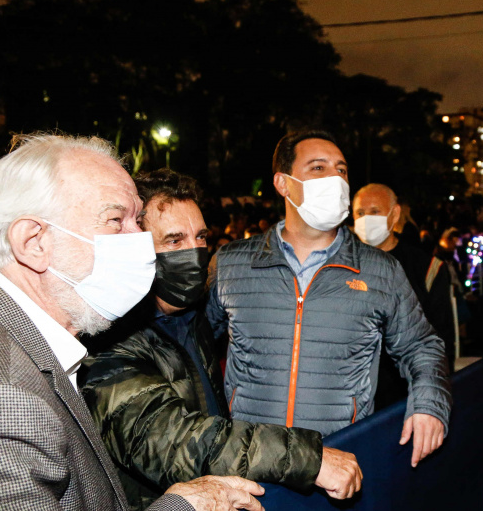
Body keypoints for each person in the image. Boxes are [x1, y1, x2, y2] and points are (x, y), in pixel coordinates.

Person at [0, 134, 265, 511]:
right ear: (33, 242)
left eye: (138, 220)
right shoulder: (3, 401)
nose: (141, 240)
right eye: (116, 220)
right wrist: (183, 506)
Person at [80, 168, 363, 510]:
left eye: (200, 237)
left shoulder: (194, 316)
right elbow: (171, 440)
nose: (195, 250)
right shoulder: (107, 339)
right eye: (174, 240)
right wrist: (309, 458)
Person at [208, 130, 451, 468]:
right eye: (318, 168)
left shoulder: (380, 270)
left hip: (339, 460)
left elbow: (421, 345)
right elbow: (196, 344)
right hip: (249, 462)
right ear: (283, 183)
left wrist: (429, 403)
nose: (335, 179)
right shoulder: (232, 263)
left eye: (341, 170)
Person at [352, 183, 455, 407]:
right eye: (360, 213)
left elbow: (442, 337)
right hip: (352, 399)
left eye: (375, 212)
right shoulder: (339, 265)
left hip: (405, 397)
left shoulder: (426, 268)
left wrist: (434, 397)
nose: (366, 219)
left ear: (394, 214)